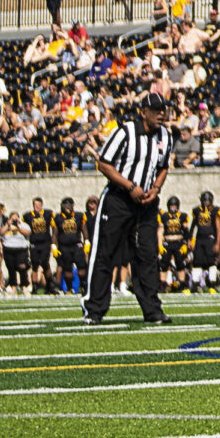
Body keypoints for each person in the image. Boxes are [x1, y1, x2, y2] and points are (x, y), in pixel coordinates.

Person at [81, 83, 176, 325]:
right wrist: (130, 187)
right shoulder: (125, 132)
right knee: (105, 252)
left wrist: (155, 189)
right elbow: (104, 164)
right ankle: (94, 309)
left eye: (164, 110)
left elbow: (164, 167)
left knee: (147, 255)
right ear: (143, 111)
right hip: (119, 199)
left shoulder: (166, 136)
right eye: (156, 110)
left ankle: (152, 309)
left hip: (146, 201)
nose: (161, 114)